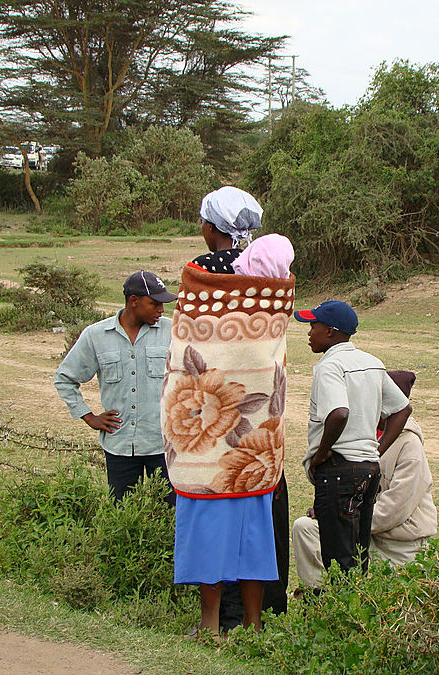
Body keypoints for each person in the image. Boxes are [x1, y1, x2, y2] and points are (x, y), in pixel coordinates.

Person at [169, 186, 289, 636]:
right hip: (255, 436)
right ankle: (255, 625)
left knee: (207, 528)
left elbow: (187, 347)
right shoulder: (271, 276)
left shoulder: (198, 274)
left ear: (209, 227)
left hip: (205, 434)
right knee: (253, 532)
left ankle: (210, 623)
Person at [293, 301, 412, 576]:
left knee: (338, 561)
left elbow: (338, 413)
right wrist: (376, 450)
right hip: (369, 470)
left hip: (339, 471)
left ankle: (340, 615)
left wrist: (321, 453)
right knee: (358, 554)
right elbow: (402, 409)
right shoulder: (372, 363)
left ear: (331, 332)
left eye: (314, 326)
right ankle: (358, 611)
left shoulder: (329, 366)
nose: (309, 332)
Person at [292, 370, 437, 587]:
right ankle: (320, 602)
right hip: (362, 533)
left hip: (399, 545)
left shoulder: (410, 447)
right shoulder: (360, 432)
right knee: (305, 528)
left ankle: (343, 600)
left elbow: (393, 510)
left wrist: (340, 517)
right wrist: (330, 511)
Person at [54, 270, 177, 505]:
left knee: (169, 513)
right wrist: (88, 416)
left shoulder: (173, 332)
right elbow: (64, 378)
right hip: (119, 446)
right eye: (155, 304)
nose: (161, 310)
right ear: (134, 302)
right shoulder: (96, 335)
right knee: (122, 512)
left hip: (162, 445)